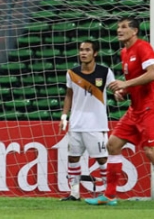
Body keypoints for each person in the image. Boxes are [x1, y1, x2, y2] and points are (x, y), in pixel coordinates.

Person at [85, 18, 154, 208]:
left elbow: (153, 74)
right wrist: (123, 93)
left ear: (134, 31)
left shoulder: (144, 48)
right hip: (135, 108)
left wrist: (125, 84)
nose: (119, 30)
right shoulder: (124, 52)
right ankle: (109, 196)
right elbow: (134, 80)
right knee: (113, 145)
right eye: (118, 27)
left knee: (151, 151)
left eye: (124, 27)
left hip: (152, 108)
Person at [59, 41, 115, 201]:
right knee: (73, 157)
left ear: (95, 53)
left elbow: (114, 88)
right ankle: (74, 193)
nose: (83, 53)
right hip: (76, 124)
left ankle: (108, 193)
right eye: (81, 50)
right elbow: (69, 95)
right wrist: (64, 116)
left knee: (102, 158)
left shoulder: (105, 72)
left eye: (87, 50)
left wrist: (119, 93)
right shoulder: (72, 73)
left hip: (96, 124)